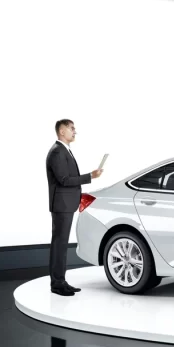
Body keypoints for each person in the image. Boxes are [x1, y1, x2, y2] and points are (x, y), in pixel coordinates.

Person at [46, 119, 102, 297]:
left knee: (62, 244)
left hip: (66, 204)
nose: (74, 131)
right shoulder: (57, 152)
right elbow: (64, 179)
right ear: (61, 131)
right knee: (59, 244)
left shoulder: (65, 151)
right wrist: (89, 176)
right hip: (61, 205)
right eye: (71, 129)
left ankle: (61, 281)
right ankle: (57, 284)